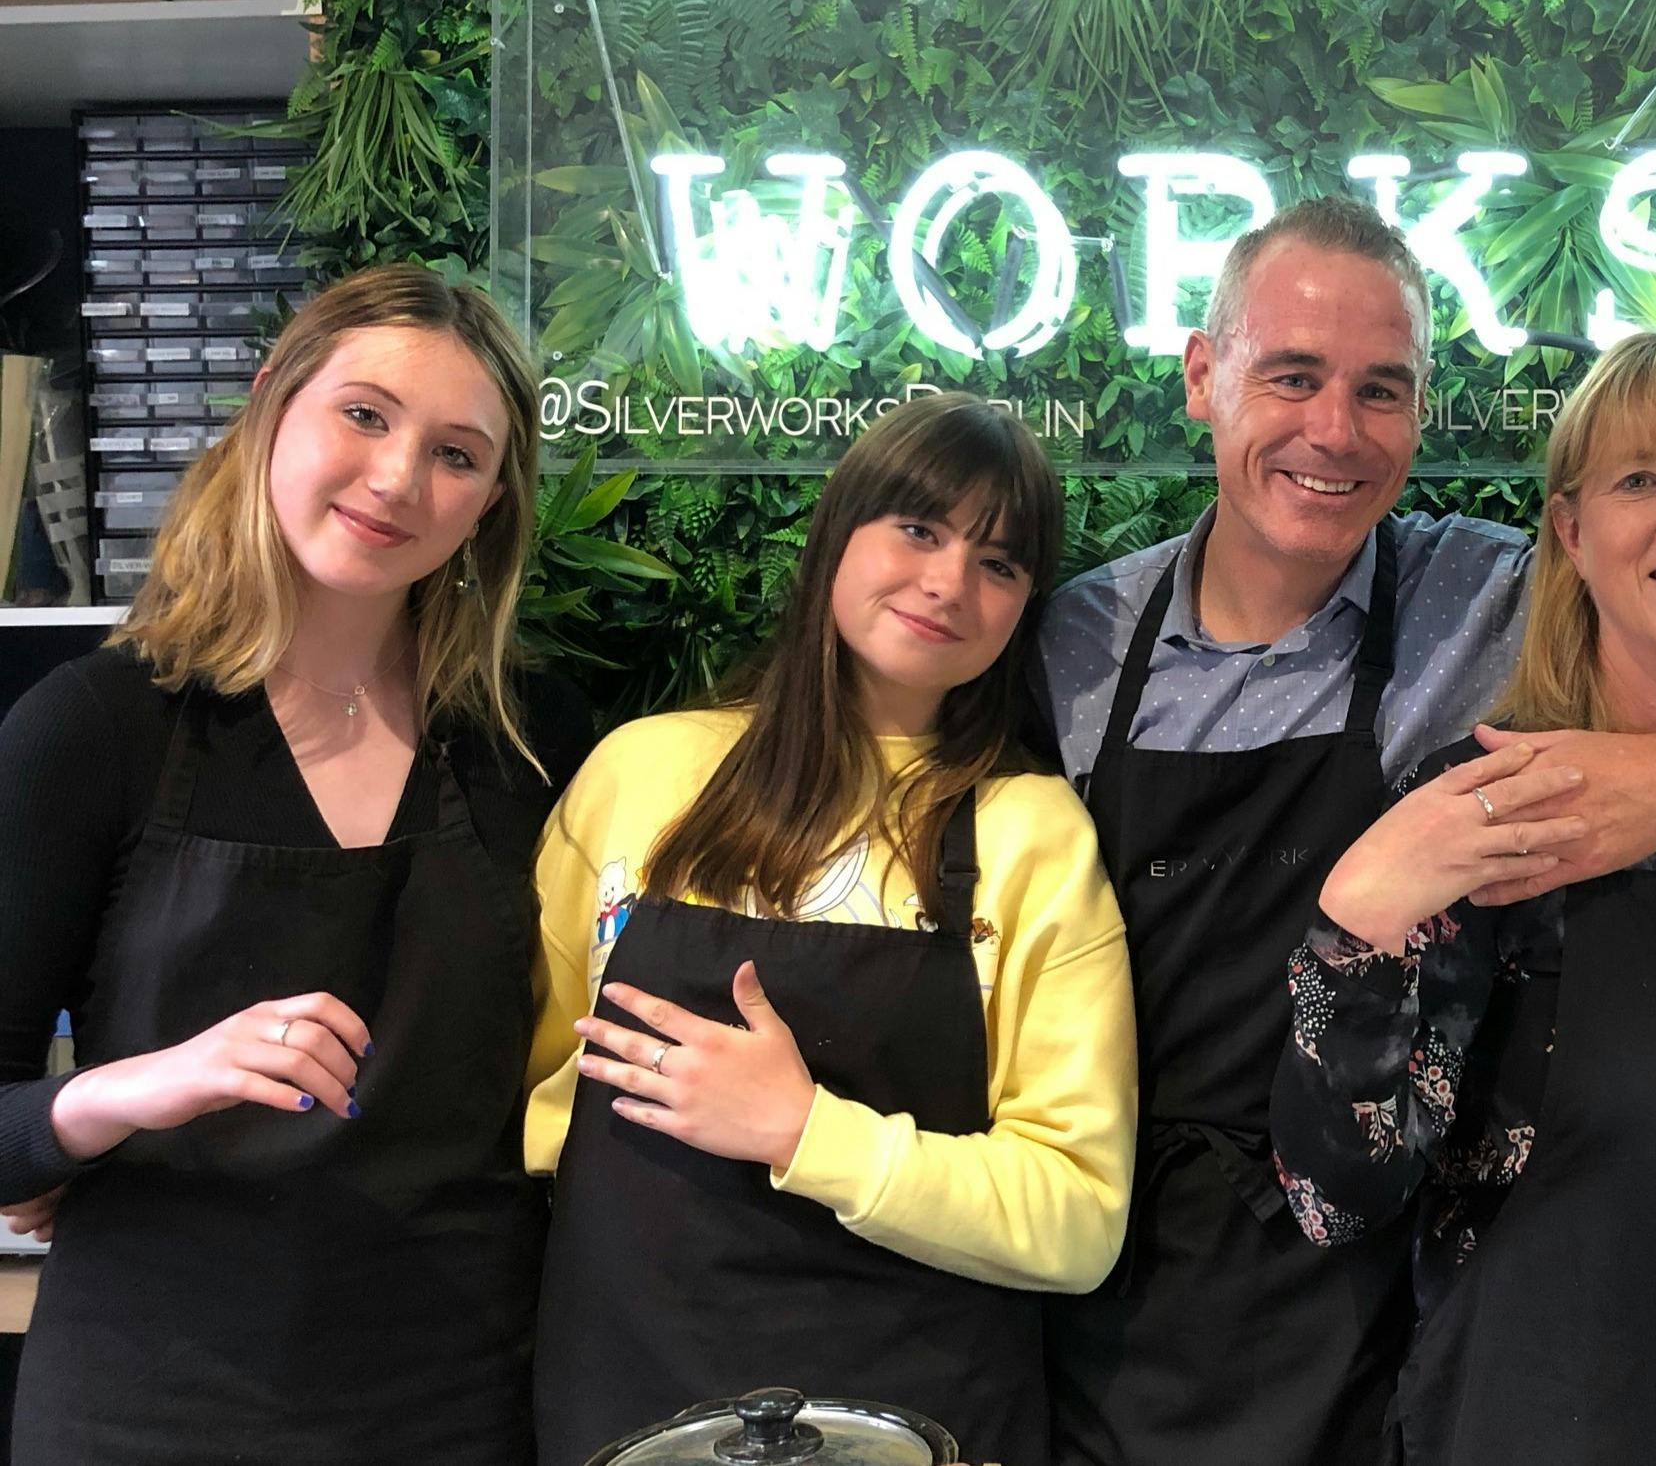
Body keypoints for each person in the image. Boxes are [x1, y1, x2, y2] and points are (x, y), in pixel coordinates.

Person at [1035, 201, 1656, 1466]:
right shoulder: (1076, 647)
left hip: (1365, 1306)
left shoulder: (1489, 595)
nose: (1333, 431)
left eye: (1381, 389)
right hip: (1116, 1278)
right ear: (1202, 376)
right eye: (1291, 376)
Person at [0, 265, 593, 1463]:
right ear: (274, 397)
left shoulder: (538, 740)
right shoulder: (97, 728)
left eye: (457, 454)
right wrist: (137, 1086)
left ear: (490, 504)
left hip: (461, 1390)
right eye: (365, 414)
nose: (396, 479)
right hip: (153, 1397)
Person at [1269, 328, 1656, 1466]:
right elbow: (1335, 1197)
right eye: (1641, 477)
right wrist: (1357, 920)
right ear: (1571, 531)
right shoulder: (1493, 804)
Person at [526, 392, 1136, 1466]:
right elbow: (534, 1111)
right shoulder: (641, 773)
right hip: (630, 1392)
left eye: (999, 563)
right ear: (836, 528)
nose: (950, 581)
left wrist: (807, 1131)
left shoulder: (1028, 832)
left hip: (929, 1414)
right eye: (918, 528)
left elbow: (1077, 1219)